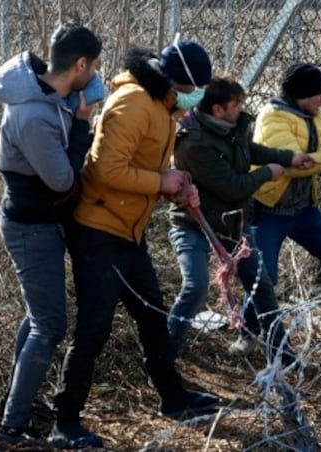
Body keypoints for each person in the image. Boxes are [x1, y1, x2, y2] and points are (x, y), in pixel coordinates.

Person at [50, 41, 221, 448]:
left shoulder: (161, 106)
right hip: (98, 228)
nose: (197, 97)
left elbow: (141, 165)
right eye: (194, 88)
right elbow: (105, 168)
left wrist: (174, 184)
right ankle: (65, 420)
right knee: (94, 327)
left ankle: (173, 398)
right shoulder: (133, 103)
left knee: (151, 315)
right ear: (176, 81)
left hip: (127, 229)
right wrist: (160, 182)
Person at [0, 23, 102, 450]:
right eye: (94, 66)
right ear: (80, 65)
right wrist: (81, 126)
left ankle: (16, 403)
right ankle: (12, 429)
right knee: (49, 324)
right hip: (30, 228)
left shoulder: (47, 95)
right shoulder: (33, 114)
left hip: (39, 224)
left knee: (38, 316)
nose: (96, 74)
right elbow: (60, 179)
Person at [166, 76, 314, 363]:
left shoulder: (231, 127)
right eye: (237, 104)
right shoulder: (194, 143)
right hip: (194, 225)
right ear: (218, 110)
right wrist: (267, 173)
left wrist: (288, 157)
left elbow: (250, 151)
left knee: (261, 287)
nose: (242, 108)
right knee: (195, 287)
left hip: (232, 223)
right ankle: (165, 355)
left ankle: (282, 354)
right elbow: (233, 186)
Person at [235, 63, 321, 359]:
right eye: (319, 94)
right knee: (264, 275)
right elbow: (294, 166)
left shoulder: (314, 115)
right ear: (301, 95)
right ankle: (248, 333)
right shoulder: (273, 119)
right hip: (270, 209)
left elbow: (318, 150)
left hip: (303, 209)